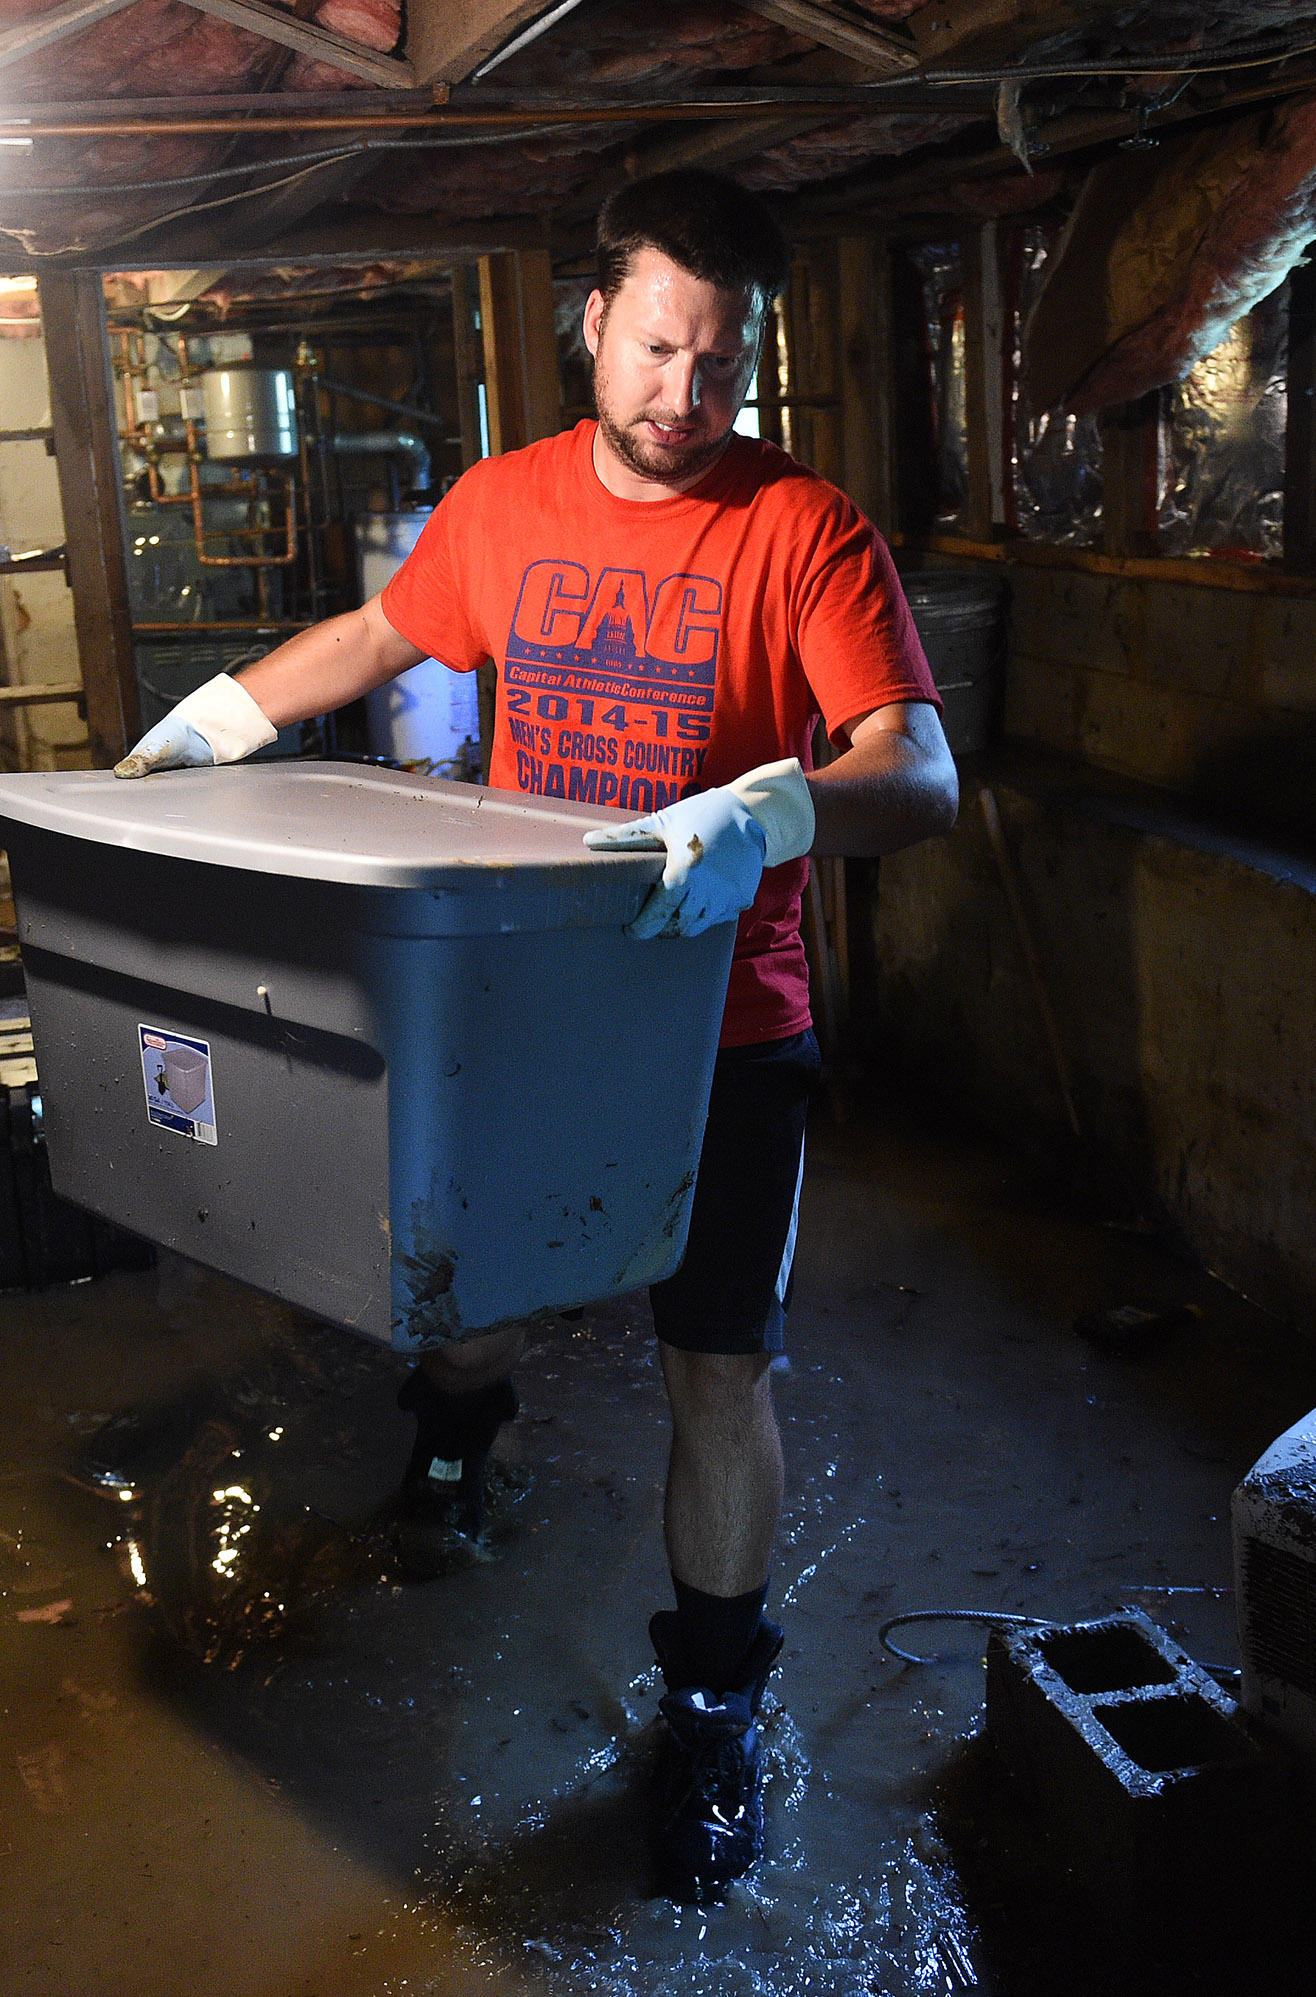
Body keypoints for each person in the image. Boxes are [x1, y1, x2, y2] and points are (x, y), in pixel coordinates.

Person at [108, 168, 959, 1897]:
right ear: (594, 322)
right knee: (472, 1290)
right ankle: (451, 1446)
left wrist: (779, 809)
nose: (685, 398)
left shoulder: (805, 528)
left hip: (722, 1029)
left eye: (722, 365)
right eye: (657, 349)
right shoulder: (504, 507)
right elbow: (375, 632)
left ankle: (714, 1704)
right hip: (521, 1000)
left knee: (718, 1370)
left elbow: (919, 774)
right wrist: (213, 721)